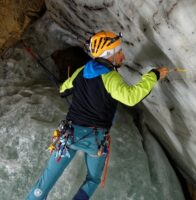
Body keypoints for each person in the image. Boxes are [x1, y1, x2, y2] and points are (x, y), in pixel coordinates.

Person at [26, 31, 169, 200]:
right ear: (109, 55)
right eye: (119, 52)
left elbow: (64, 90)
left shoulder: (81, 71)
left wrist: (75, 88)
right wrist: (154, 75)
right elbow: (131, 97)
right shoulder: (111, 78)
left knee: (46, 179)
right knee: (93, 180)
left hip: (69, 136)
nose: (123, 56)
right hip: (95, 141)